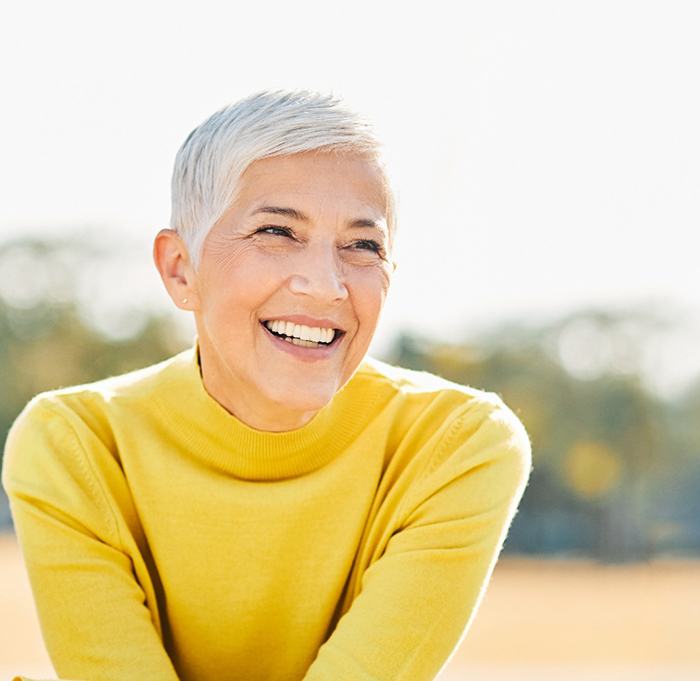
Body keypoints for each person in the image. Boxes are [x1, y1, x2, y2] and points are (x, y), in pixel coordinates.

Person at [2, 90, 532, 681]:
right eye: (277, 232)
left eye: (363, 245)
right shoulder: (75, 445)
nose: (326, 285)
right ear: (181, 269)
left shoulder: (456, 445)